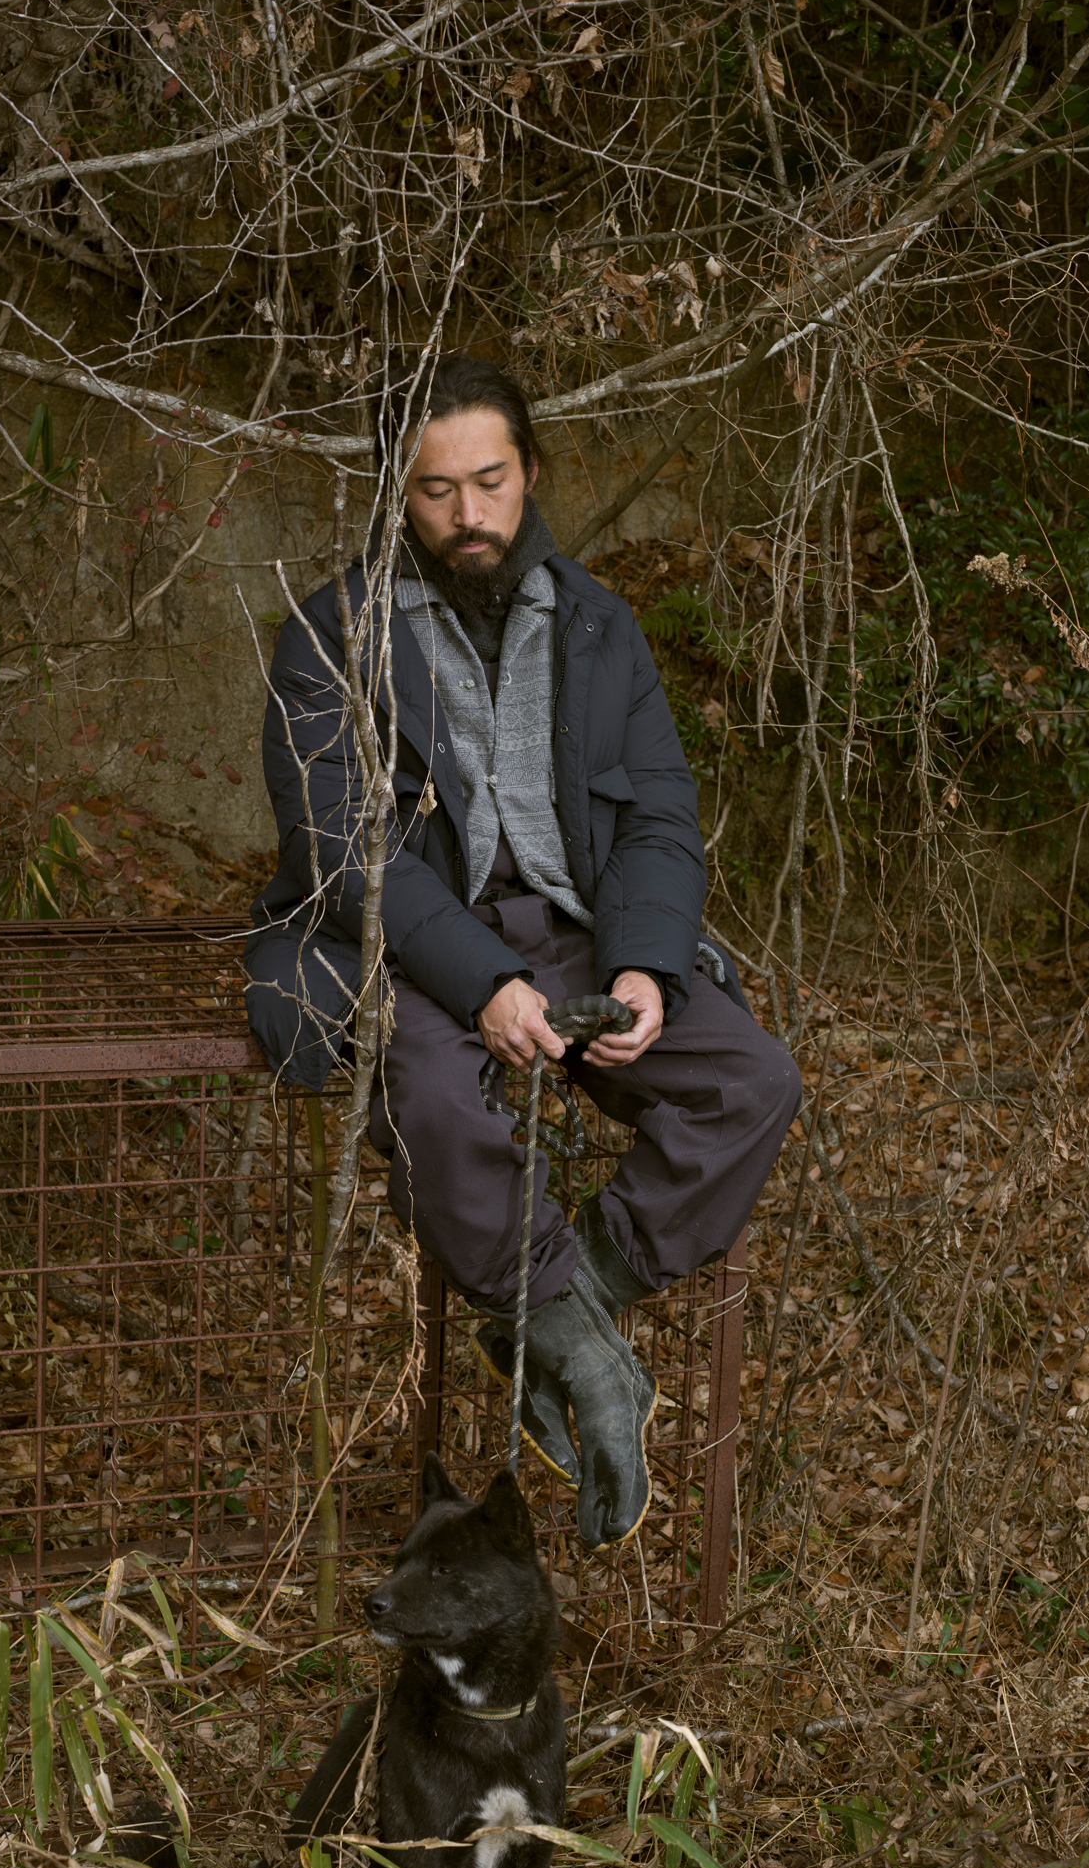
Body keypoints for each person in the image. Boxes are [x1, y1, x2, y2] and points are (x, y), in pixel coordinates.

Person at [245, 354, 801, 1550]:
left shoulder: (600, 626)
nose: (469, 513)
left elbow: (659, 817)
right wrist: (484, 982)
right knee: (438, 1105)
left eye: (489, 481)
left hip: (579, 933)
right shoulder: (328, 635)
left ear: (531, 470)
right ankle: (590, 1359)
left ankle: (560, 1303)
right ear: (398, 495)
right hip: (410, 945)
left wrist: (646, 961)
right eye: (436, 489)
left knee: (752, 1079)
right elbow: (341, 848)